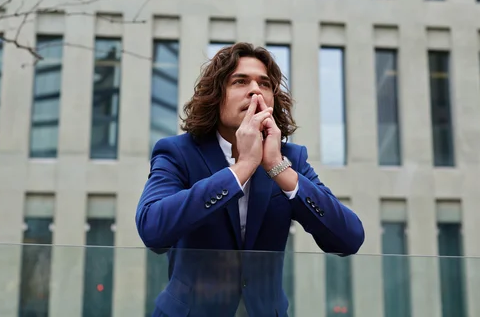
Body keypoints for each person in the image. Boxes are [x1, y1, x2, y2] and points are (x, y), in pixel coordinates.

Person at [136, 42, 365, 317]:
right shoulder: (178, 152)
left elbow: (350, 238)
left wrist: (279, 168)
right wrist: (241, 168)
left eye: (264, 84)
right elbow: (152, 228)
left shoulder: (292, 158)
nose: (255, 90)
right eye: (240, 81)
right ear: (216, 96)